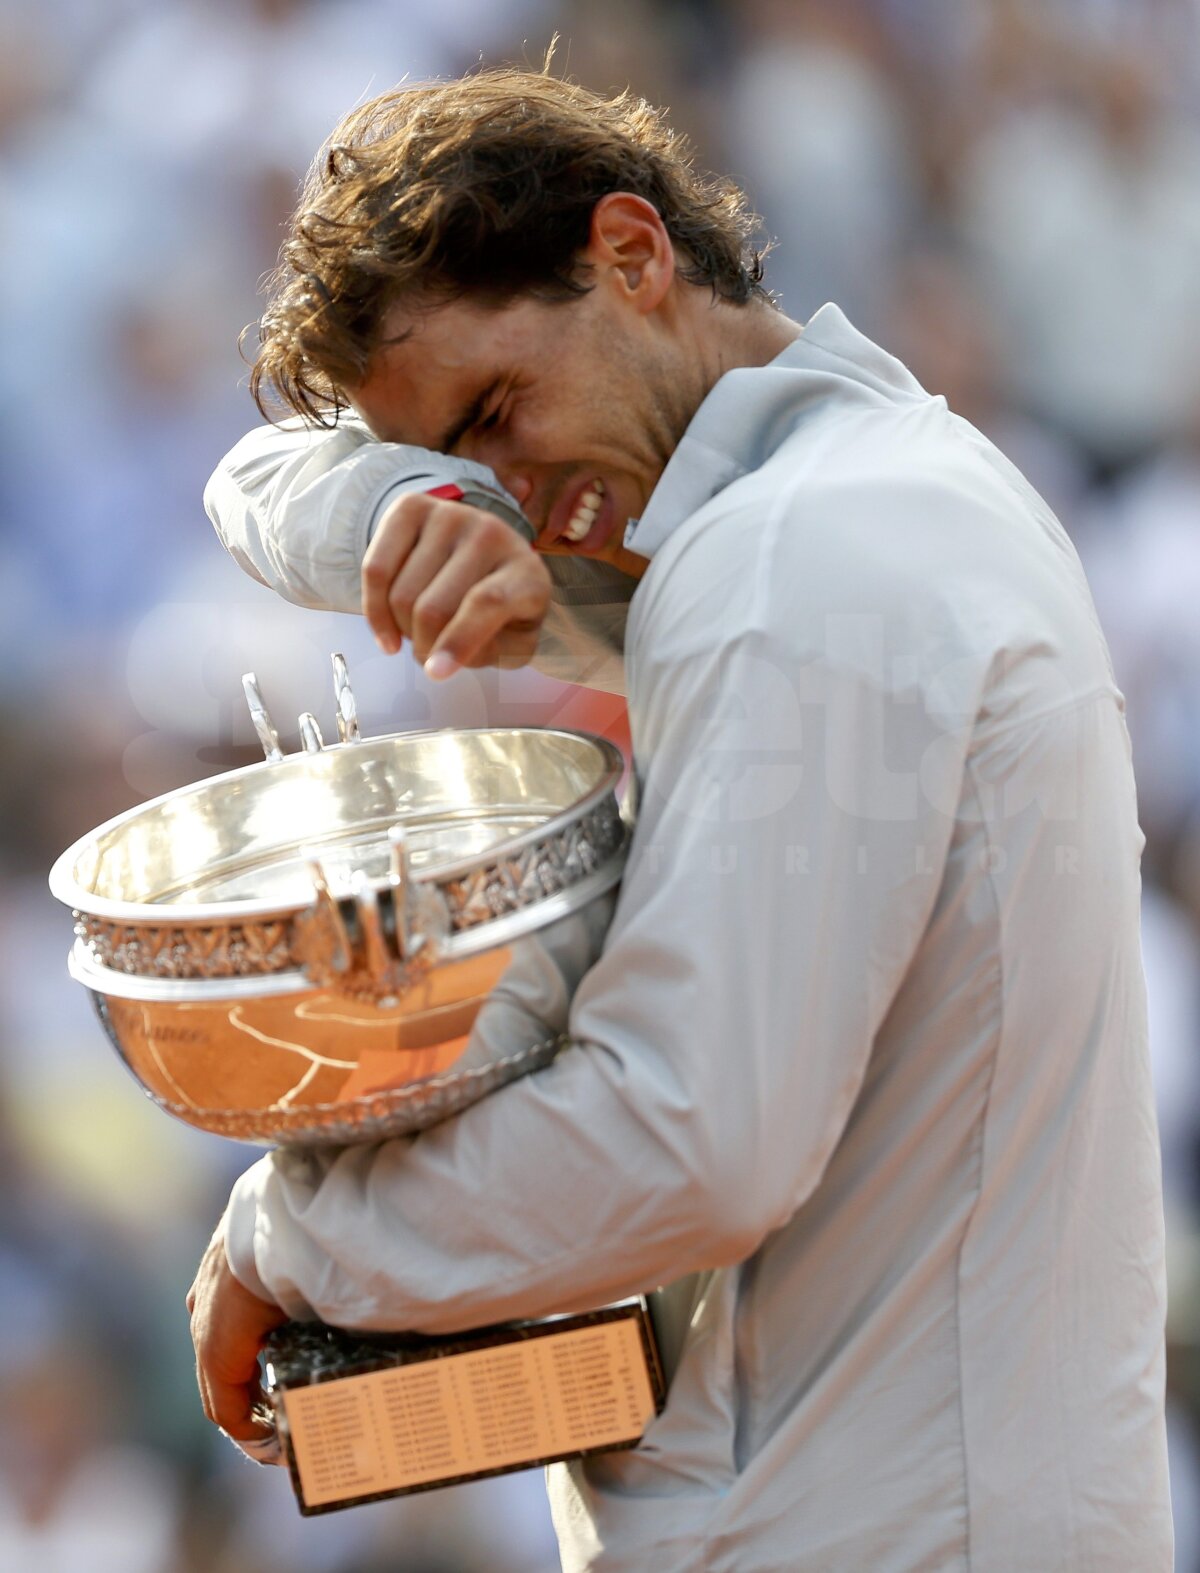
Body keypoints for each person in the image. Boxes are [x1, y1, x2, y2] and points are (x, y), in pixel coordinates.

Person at [189, 69, 1173, 1570]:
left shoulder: (780, 557)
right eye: (459, 457)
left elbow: (691, 1136)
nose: (504, 495)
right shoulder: (868, 484)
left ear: (633, 256)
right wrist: (407, 506)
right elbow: (252, 479)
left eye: (498, 414)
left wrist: (294, 1232)